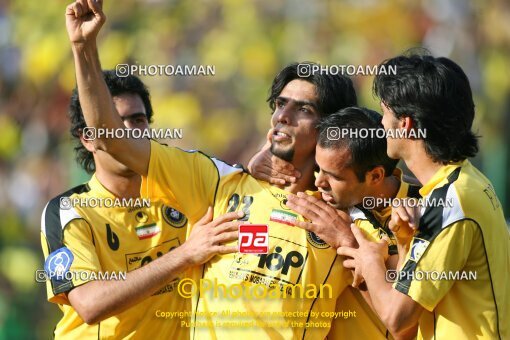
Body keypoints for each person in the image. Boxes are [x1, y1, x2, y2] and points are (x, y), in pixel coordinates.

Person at [64, 1, 359, 338]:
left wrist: (352, 240)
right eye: (280, 104)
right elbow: (110, 138)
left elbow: (398, 307)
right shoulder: (217, 183)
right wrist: (83, 47)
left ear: (330, 128)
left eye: (303, 108)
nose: (282, 116)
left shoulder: (344, 219)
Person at [41, 70, 243, 339]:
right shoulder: (69, 211)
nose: (127, 132)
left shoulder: (181, 193)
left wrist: (256, 167)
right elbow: (90, 304)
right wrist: (184, 254)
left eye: (137, 120)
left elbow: (241, 194)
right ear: (87, 138)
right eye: (114, 123)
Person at [338, 52, 509, 339]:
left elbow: (397, 317)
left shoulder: (450, 201)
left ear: (404, 124)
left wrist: (369, 261)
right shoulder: (468, 182)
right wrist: (405, 243)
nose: (381, 124)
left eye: (384, 113)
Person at [254, 107, 420, 339]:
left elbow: (405, 329)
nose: (319, 181)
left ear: (375, 176)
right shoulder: (323, 201)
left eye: (334, 176)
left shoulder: (425, 212)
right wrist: (258, 160)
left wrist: (347, 243)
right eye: (318, 168)